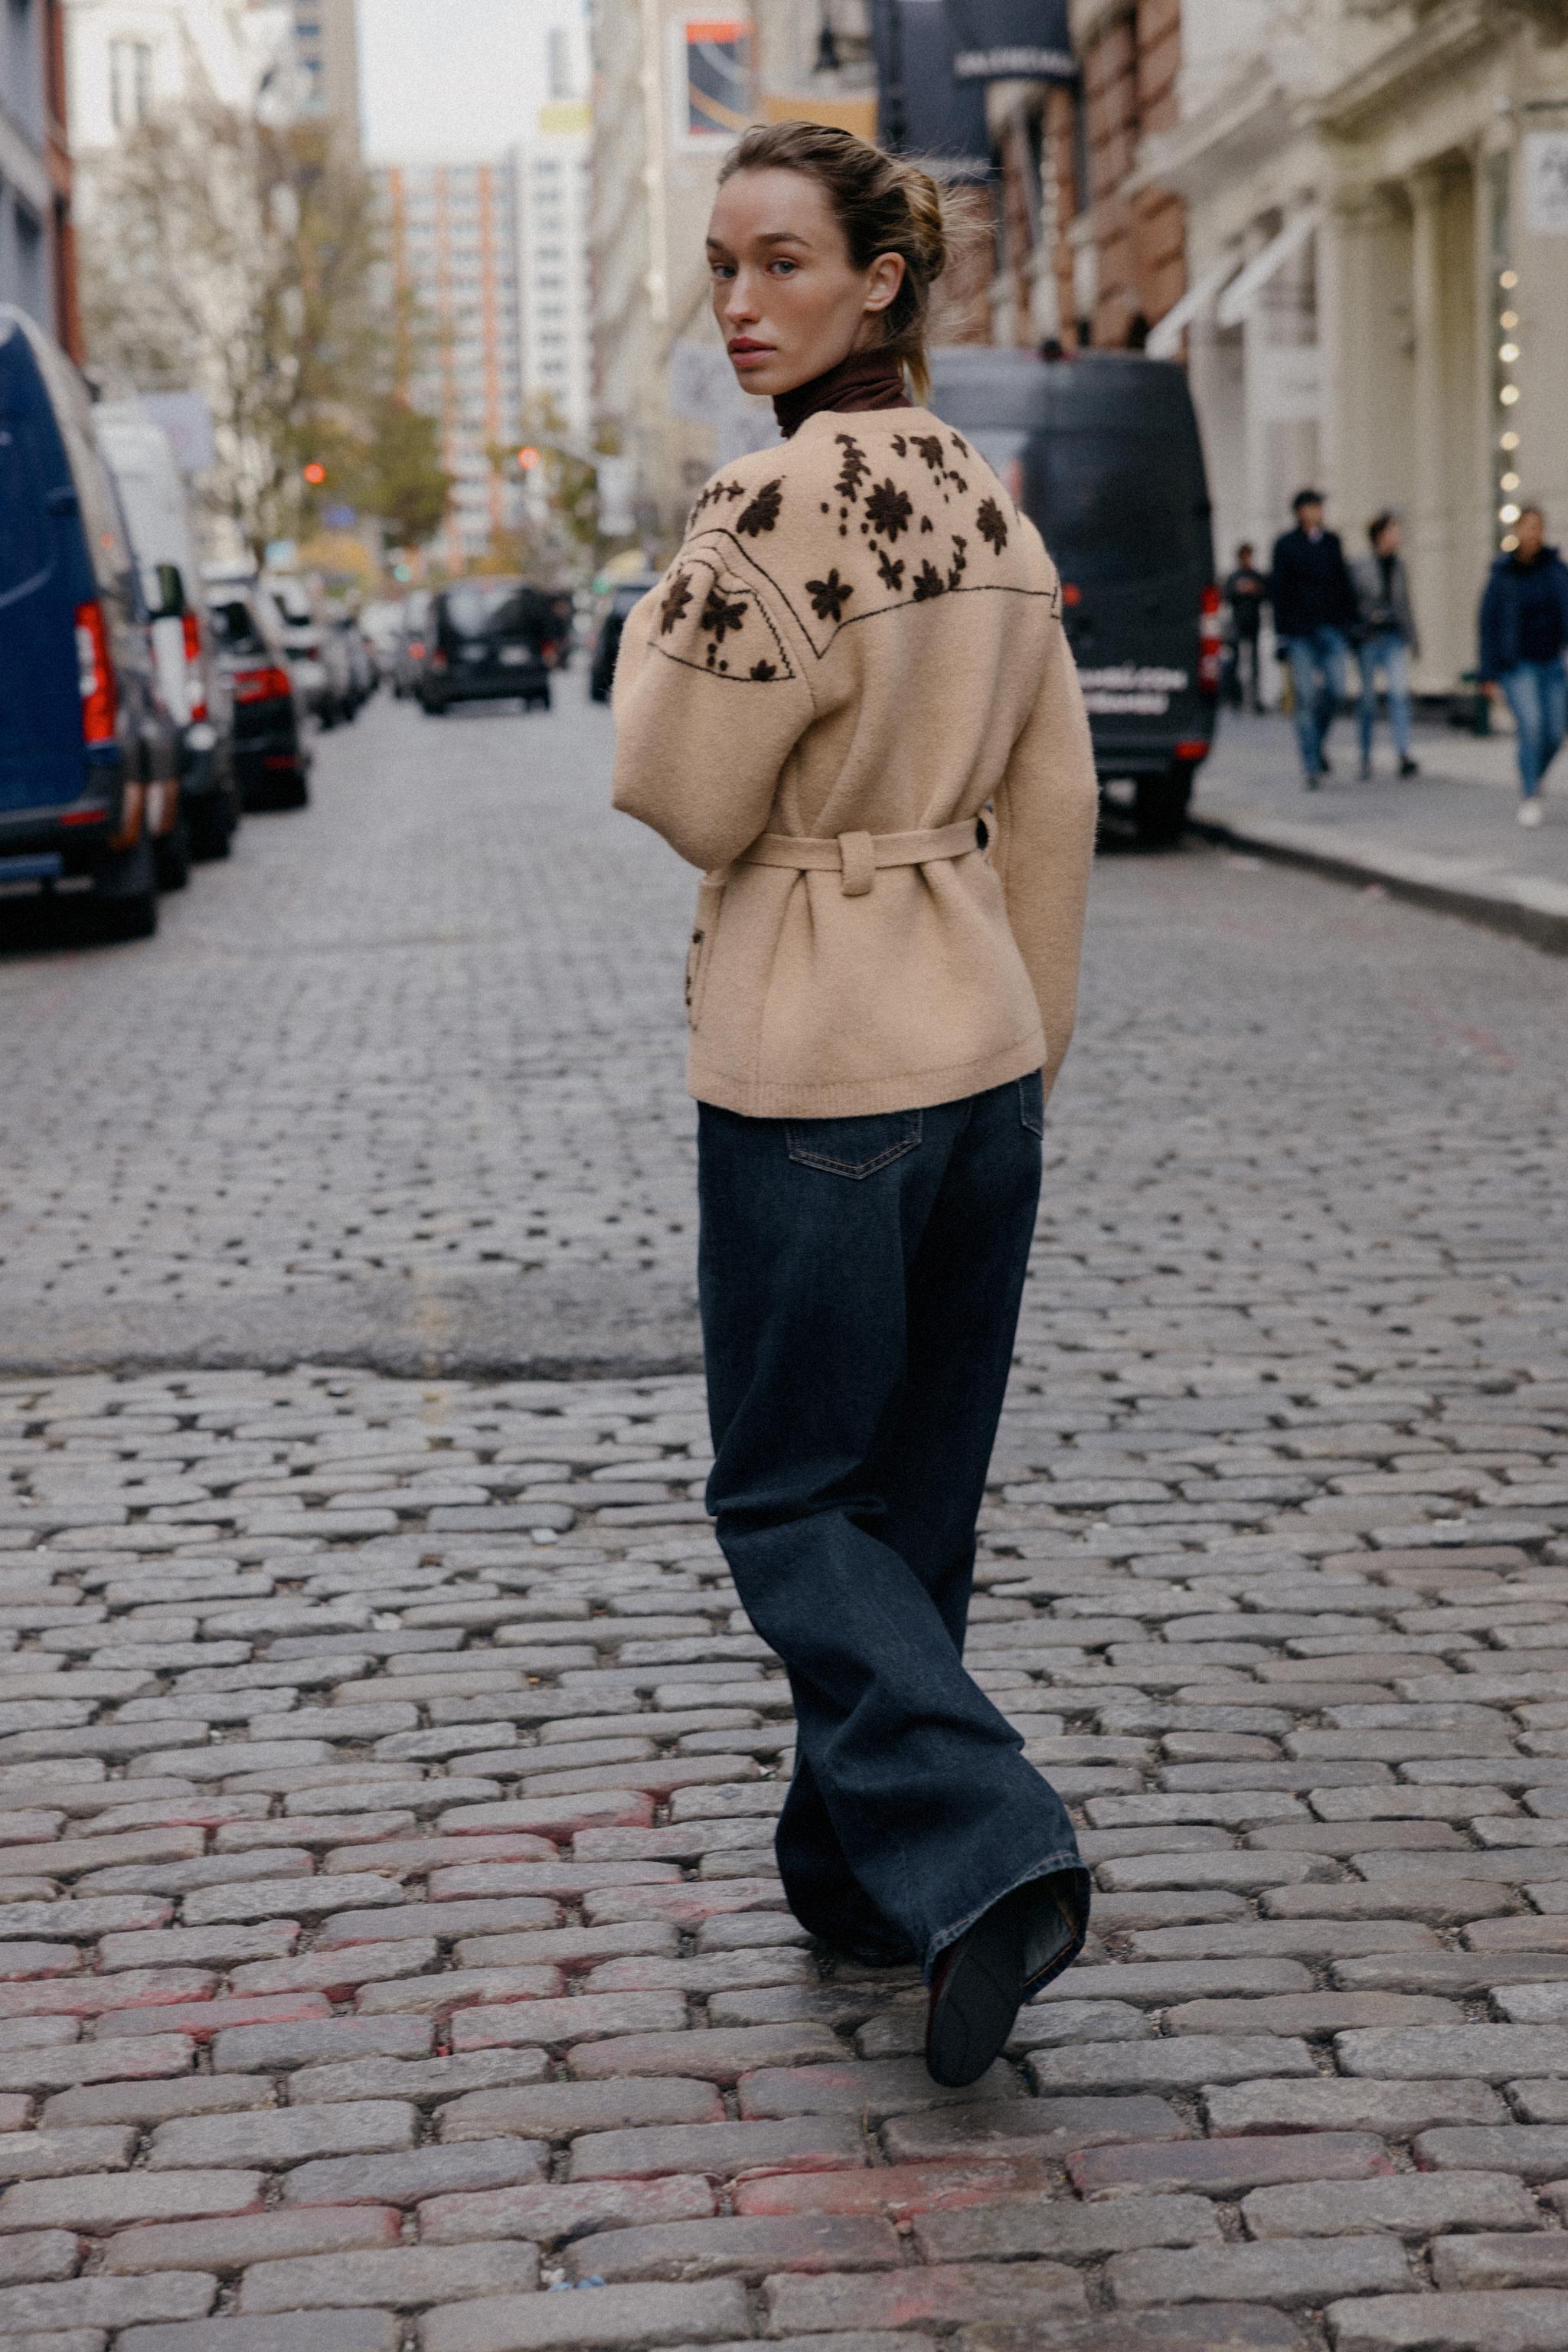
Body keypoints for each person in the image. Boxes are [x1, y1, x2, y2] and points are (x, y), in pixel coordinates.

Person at [610, 119, 1094, 2087]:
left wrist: (675, 589)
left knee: (786, 1492)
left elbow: (679, 788)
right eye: (724, 266)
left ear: (877, 278)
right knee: (908, 1505)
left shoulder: (774, 502)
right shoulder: (985, 498)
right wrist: (1019, 1042)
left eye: (783, 265)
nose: (741, 304)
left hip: (816, 1061)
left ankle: (991, 1846)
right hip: (978, 1048)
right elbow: (1051, 801)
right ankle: (858, 1864)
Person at [1479, 504, 1568, 828]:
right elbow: (1487, 623)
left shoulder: (1556, 569)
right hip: (1517, 665)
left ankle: (1534, 774)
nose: (1532, 534)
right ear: (1517, 531)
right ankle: (1530, 795)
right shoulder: (1502, 574)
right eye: (1527, 527)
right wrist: (1487, 672)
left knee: (1555, 731)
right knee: (1531, 727)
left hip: (1552, 663)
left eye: (1538, 527)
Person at [1269, 488, 1359, 786]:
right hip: (1299, 633)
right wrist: (1281, 636)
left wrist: (1350, 624)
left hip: (1330, 628)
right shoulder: (1285, 545)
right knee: (1305, 697)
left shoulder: (1331, 543)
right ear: (1300, 511)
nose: (1318, 511)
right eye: (1313, 506)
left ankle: (1317, 743)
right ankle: (1310, 764)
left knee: (1335, 690)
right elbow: (1278, 592)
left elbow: (1343, 585)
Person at [1350, 513, 1420, 781]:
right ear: (1380, 535)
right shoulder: (1360, 565)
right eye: (1394, 531)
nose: (1398, 536)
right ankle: (1365, 756)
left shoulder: (1399, 566)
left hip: (1393, 638)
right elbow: (1351, 603)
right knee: (1367, 700)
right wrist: (1366, 620)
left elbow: (1405, 605)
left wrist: (1413, 638)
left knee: (1399, 695)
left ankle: (1403, 754)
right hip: (1369, 638)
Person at [1223, 541, 1268, 711]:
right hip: (1237, 621)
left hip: (1253, 620)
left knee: (1255, 662)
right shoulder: (1234, 576)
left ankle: (1256, 699)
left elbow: (1265, 594)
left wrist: (1254, 590)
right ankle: (1236, 698)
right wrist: (1239, 590)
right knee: (1235, 662)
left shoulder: (1256, 575)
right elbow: (1227, 595)